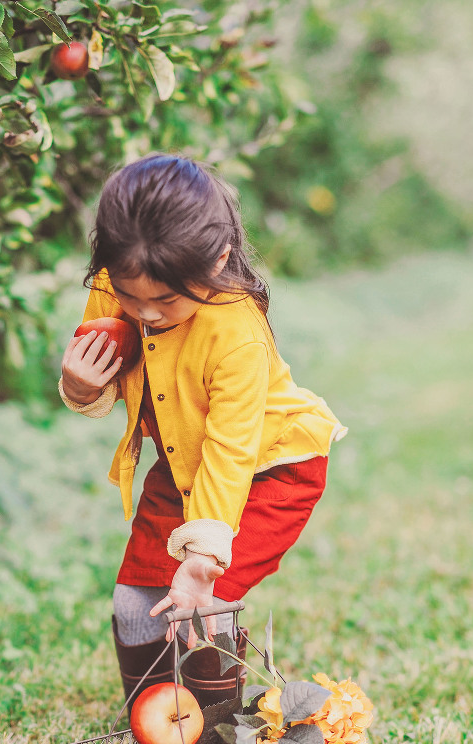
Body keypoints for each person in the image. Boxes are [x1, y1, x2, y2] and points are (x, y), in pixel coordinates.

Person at [59, 154, 346, 709]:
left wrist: (200, 562)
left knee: (204, 603)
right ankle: (158, 730)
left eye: (166, 300)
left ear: (216, 261)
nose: (146, 313)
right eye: (129, 293)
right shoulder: (114, 282)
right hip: (182, 460)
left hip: (271, 468)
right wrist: (78, 384)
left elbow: (230, 449)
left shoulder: (234, 328)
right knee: (135, 598)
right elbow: (106, 377)